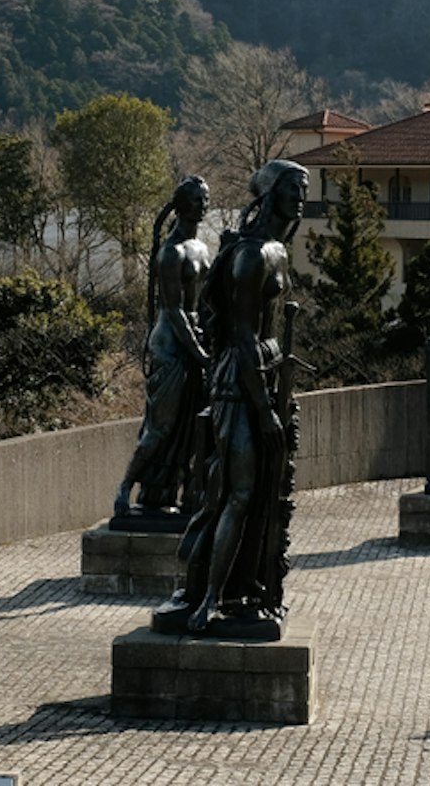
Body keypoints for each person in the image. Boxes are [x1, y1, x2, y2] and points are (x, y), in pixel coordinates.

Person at [156, 160, 308, 637]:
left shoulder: (279, 250)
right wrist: (262, 408)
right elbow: (241, 338)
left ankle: (246, 591)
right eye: (291, 189)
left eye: (304, 189)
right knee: (235, 493)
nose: (300, 197)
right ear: (267, 196)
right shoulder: (251, 256)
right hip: (238, 388)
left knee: (261, 494)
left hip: (264, 377)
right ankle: (207, 600)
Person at [115, 176, 213, 519]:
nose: (204, 205)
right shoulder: (170, 253)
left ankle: (179, 494)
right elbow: (173, 312)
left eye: (206, 199)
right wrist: (202, 356)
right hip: (171, 350)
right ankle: (125, 489)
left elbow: (205, 304)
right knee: (160, 427)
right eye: (198, 200)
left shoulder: (202, 248)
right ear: (182, 206)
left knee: (190, 432)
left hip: (194, 344)